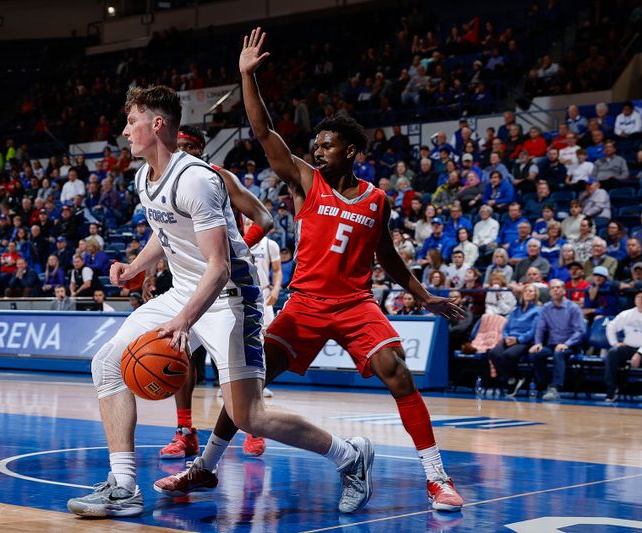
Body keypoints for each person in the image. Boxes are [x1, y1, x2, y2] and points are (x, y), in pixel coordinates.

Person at [155, 29, 466, 514]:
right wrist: (246, 77)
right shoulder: (307, 182)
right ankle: (206, 467)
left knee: (398, 375)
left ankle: (436, 479)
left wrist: (425, 297)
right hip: (304, 305)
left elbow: (387, 255)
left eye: (328, 146)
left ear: (352, 152)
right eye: (316, 144)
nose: (318, 151)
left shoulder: (376, 199)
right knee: (244, 389)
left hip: (355, 304)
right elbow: (264, 133)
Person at [67, 82, 376, 518]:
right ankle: (123, 486)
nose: (125, 129)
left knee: (248, 416)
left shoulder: (197, 178)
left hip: (231, 299)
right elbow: (166, 229)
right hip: (185, 291)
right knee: (107, 364)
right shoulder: (143, 177)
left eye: (132, 120)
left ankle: (349, 455)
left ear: (157, 124)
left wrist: (183, 321)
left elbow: (219, 267)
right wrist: (137, 267)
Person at [527, 279, 586, 401]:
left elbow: (580, 331)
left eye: (558, 287)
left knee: (559, 353)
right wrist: (538, 343)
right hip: (552, 344)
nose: (555, 290)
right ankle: (545, 384)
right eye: (553, 288)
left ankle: (555, 388)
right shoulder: (546, 308)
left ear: (564, 290)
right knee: (535, 354)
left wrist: (567, 344)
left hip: (570, 345)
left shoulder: (573, 308)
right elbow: (540, 327)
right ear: (550, 292)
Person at [487, 283, 542, 396]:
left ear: (536, 295)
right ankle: (512, 378)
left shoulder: (538, 311)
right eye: (526, 290)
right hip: (510, 339)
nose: (528, 293)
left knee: (508, 355)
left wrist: (518, 340)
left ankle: (512, 380)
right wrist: (506, 337)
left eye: (531, 291)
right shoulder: (515, 310)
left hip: (524, 341)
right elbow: (506, 327)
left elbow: (533, 331)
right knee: (493, 353)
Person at [603, 290, 642, 402]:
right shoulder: (626, 314)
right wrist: (614, 343)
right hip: (628, 348)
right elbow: (611, 327)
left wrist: (639, 353)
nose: (641, 300)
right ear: (635, 299)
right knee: (612, 352)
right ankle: (611, 391)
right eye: (639, 297)